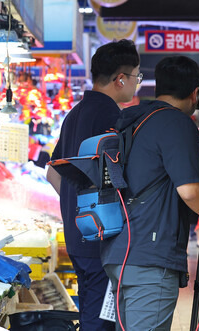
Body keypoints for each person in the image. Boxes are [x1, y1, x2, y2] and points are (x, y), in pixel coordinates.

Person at [100, 56, 199, 330]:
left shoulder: (136, 119)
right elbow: (188, 192)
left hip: (122, 252)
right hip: (151, 258)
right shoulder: (176, 123)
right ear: (196, 94)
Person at [46, 39, 140, 331]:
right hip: (102, 237)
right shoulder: (112, 117)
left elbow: (53, 173)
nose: (137, 83)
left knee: (91, 311)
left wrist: (78, 203)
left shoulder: (74, 114)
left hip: (77, 235)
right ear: (120, 79)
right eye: (137, 76)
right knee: (99, 321)